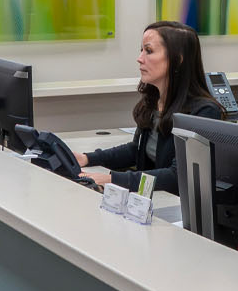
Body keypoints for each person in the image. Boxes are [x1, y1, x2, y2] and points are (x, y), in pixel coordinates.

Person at [75, 20, 222, 192]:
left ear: (178, 59)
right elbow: (136, 151)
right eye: (141, 50)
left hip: (177, 209)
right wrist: (87, 158)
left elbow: (178, 176)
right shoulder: (154, 101)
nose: (140, 59)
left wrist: (112, 179)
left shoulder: (204, 112)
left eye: (149, 51)